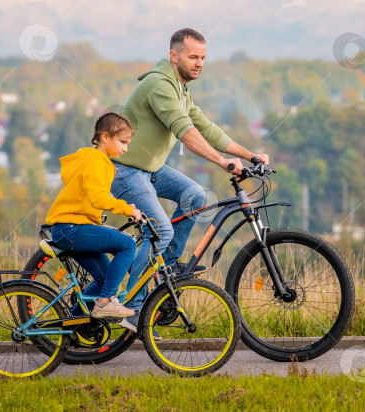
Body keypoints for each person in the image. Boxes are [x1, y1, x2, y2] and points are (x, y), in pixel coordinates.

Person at [112, 28, 269, 330]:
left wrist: (251, 155)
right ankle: (132, 306)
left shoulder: (181, 89)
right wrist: (222, 162)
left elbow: (208, 129)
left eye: (203, 58)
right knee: (161, 229)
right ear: (174, 56)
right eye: (193, 57)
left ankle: (164, 271)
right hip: (126, 170)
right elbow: (185, 130)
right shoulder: (160, 84)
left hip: (149, 169)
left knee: (195, 197)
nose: (199, 63)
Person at [45, 112, 143, 327]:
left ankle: (73, 326)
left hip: (72, 228)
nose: (125, 148)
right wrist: (126, 209)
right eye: (123, 142)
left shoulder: (95, 160)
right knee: (127, 245)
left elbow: (94, 195)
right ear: (105, 137)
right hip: (72, 228)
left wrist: (127, 207)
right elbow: (97, 197)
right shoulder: (95, 160)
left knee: (104, 278)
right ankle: (105, 303)